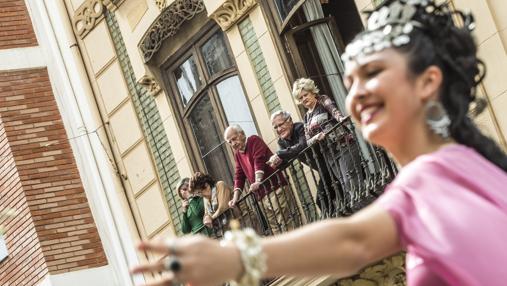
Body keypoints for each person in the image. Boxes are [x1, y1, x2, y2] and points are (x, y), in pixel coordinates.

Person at [131, 1, 507, 285]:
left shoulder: (432, 175)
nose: (355, 94)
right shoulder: (469, 165)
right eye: (351, 81)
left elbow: (351, 241)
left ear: (427, 82)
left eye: (373, 73)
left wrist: (235, 259)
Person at [293, 77, 363, 213]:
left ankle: (364, 206)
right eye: (301, 98)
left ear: (312, 92)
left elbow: (334, 111)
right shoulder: (306, 117)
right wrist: (316, 138)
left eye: (305, 95)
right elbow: (308, 140)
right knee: (344, 183)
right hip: (329, 153)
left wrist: (341, 119)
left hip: (344, 144)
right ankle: (360, 210)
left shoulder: (322, 100)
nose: (304, 99)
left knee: (350, 179)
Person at [225, 124, 297, 235]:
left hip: (276, 188)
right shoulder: (238, 155)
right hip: (261, 197)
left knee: (287, 223)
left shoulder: (254, 140)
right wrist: (235, 198)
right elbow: (239, 176)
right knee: (275, 229)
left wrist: (258, 181)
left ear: (242, 134)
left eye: (234, 139)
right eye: (229, 142)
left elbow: (259, 160)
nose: (233, 144)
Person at [268, 110, 337, 217]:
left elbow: (302, 145)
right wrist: (277, 164)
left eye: (280, 124)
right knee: (325, 199)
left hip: (331, 163)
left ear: (290, 121)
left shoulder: (300, 127)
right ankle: (338, 220)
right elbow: (286, 162)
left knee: (323, 198)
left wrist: (279, 153)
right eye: (275, 127)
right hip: (323, 171)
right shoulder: (282, 142)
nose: (279, 129)